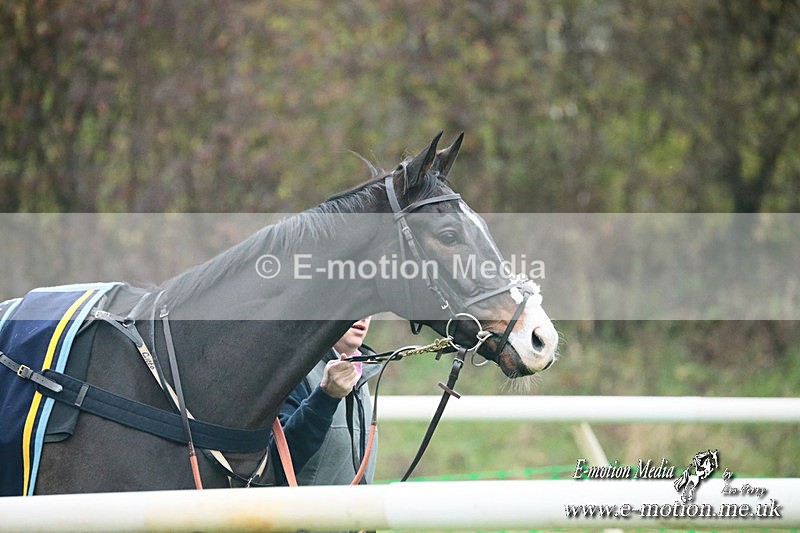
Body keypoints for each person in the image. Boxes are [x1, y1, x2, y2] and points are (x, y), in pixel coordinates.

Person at [271, 317, 380, 486]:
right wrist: (325, 398)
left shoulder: (362, 372)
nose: (364, 315)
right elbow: (274, 465)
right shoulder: (292, 369)